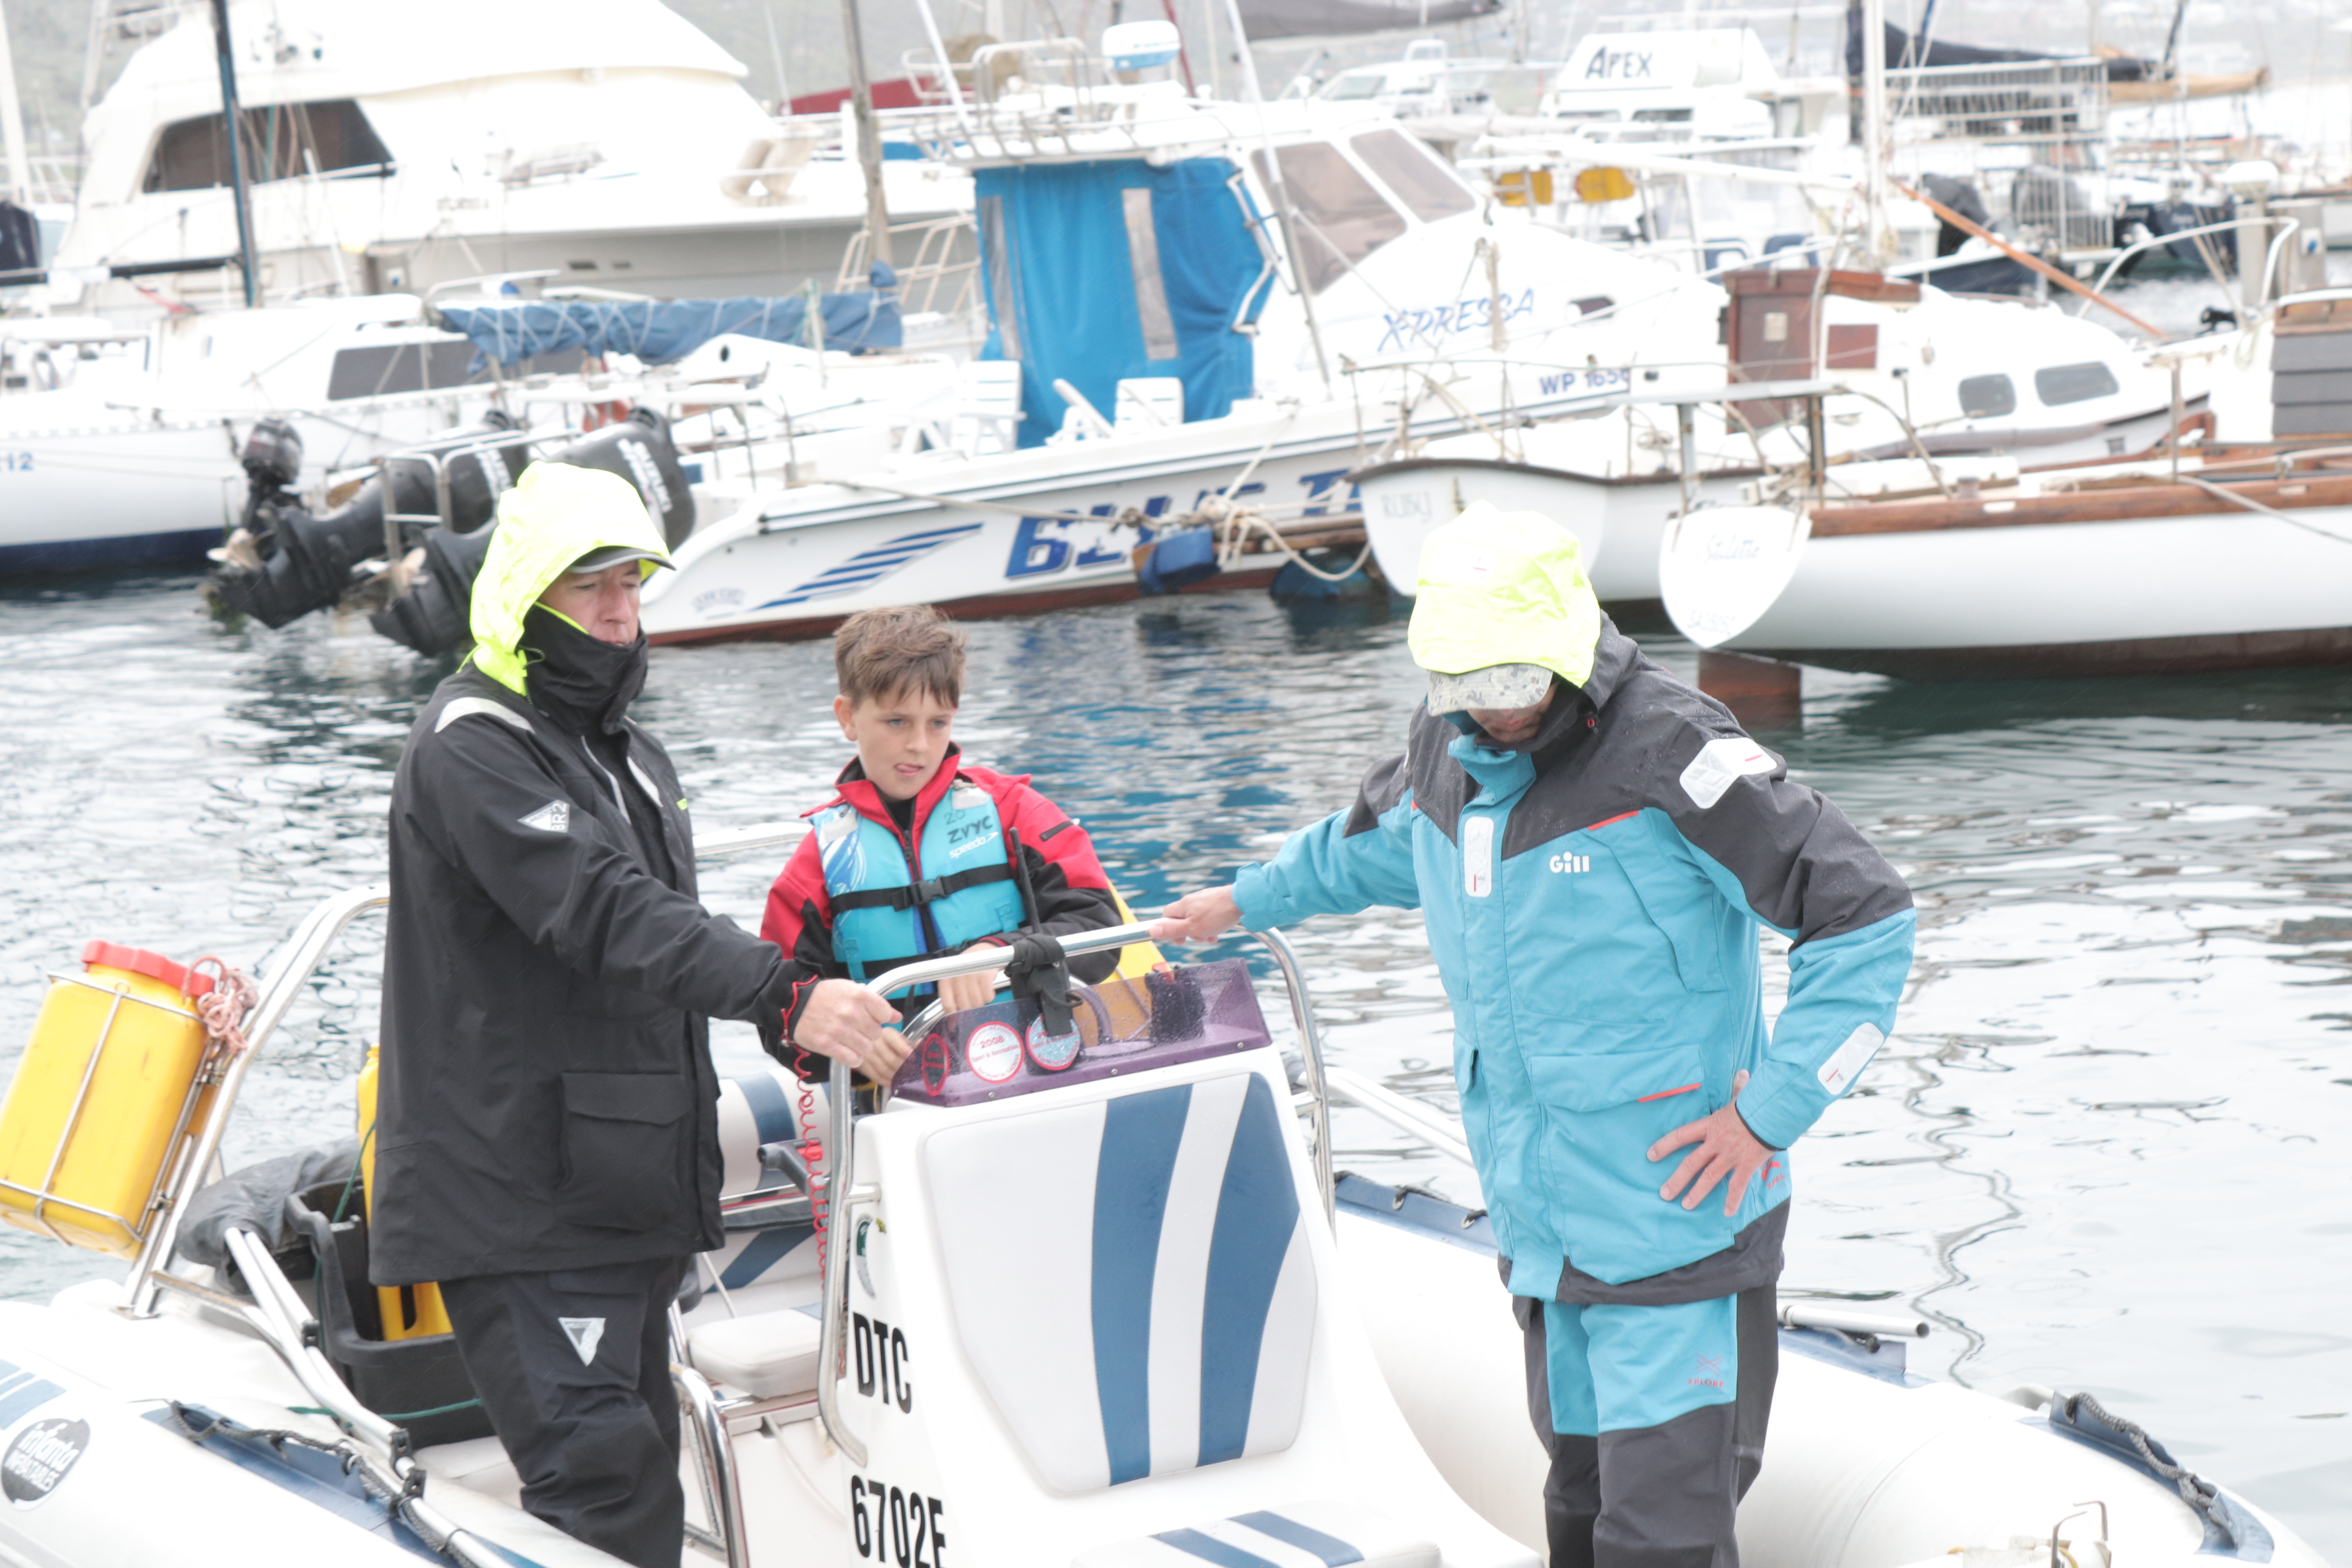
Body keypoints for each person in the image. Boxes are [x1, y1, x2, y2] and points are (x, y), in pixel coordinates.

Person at [1152, 504, 1915, 1568]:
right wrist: (1241, 899)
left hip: (1676, 1229)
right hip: (1546, 1235)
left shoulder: (1678, 755)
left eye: (1512, 678)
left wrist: (1769, 1113)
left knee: (1663, 1541)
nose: (1493, 707)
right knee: (1577, 1509)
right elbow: (1366, 847)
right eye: (1464, 683)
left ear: (1564, 652)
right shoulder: (1446, 751)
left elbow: (1867, 915)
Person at [373, 462, 906, 1568]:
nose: (620, 612)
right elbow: (602, 909)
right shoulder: (472, 741)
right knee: (604, 1484)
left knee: (640, 1469)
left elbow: (668, 937)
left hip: (620, 1186)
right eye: (590, 587)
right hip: (523, 1195)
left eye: (631, 584)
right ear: (526, 592)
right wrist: (784, 992)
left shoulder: (630, 754)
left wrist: (801, 1019)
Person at [762, 605, 1125, 1064]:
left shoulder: (1016, 812)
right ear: (848, 716)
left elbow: (1100, 929)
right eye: (897, 721)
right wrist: (852, 1047)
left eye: (938, 723)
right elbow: (782, 1013)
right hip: (903, 1090)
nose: (919, 745)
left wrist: (1000, 953)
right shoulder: (816, 864)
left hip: (1038, 1069)